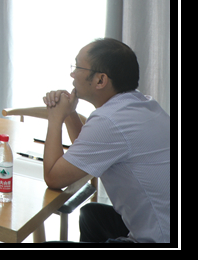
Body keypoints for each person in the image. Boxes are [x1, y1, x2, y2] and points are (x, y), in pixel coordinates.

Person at [42, 38, 170, 243]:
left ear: (100, 80)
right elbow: (85, 156)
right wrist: (70, 113)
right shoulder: (140, 104)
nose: (72, 74)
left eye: (77, 67)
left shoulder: (109, 121)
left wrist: (55, 118)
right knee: (91, 215)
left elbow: (53, 177)